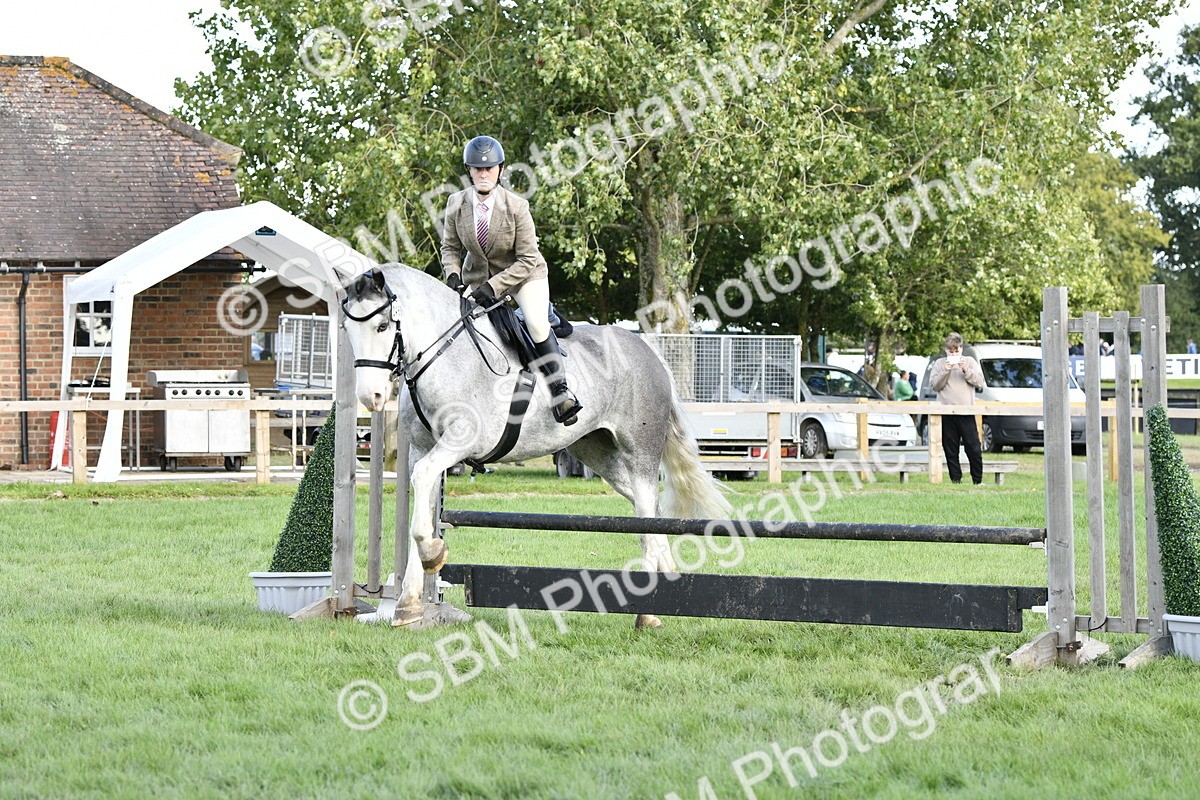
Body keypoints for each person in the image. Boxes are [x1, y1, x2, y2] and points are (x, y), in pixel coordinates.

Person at [440, 135, 582, 425]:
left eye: (489, 168)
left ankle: (560, 392)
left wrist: (493, 288)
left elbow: (528, 259)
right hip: (478, 279)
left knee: (536, 323)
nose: (483, 174)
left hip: (524, 278)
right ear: (469, 170)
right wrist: (453, 275)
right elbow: (450, 249)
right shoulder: (456, 203)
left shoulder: (517, 207)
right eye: (477, 169)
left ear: (500, 170)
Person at [929, 333, 986, 484]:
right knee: (950, 449)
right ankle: (956, 480)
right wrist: (946, 370)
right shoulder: (939, 364)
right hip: (946, 412)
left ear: (961, 349)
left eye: (956, 351)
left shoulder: (970, 362)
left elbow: (980, 382)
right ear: (946, 350)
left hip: (966, 411)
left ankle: (977, 480)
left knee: (973, 447)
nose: (953, 354)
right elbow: (935, 385)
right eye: (951, 352)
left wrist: (966, 370)